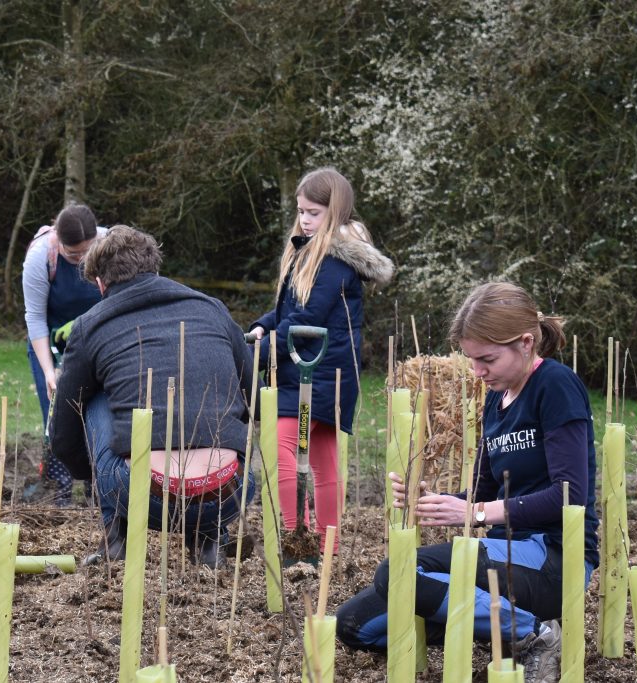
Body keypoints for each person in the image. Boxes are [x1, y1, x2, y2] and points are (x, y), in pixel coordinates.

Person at [336, 282, 600, 683]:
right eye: (472, 360)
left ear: (526, 342)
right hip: (503, 550)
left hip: (553, 556)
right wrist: (430, 499)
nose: (477, 372)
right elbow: (483, 492)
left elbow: (570, 496)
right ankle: (493, 625)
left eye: (487, 359)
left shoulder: (556, 386)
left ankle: (534, 636)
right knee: (354, 625)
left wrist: (473, 513)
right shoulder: (496, 400)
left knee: (403, 572)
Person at [49, 225, 256, 568]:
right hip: (230, 490)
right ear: (155, 268)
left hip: (143, 492)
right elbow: (254, 399)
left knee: (95, 396)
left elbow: (64, 433)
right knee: (209, 403)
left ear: (101, 282)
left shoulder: (91, 325)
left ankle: (117, 538)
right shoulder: (213, 308)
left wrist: (99, 480)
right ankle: (209, 540)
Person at [249, 167, 394, 554]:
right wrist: (263, 326)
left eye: (314, 212)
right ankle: (324, 542)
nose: (305, 219)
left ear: (336, 211)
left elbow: (305, 320)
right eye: (301, 211)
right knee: (322, 459)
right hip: (318, 371)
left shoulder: (332, 262)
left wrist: (257, 354)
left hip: (316, 372)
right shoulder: (310, 252)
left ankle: (300, 538)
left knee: (285, 453)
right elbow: (290, 312)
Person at [22, 204, 106, 506]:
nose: (83, 260)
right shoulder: (40, 257)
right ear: (58, 240)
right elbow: (34, 317)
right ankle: (60, 493)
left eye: (89, 252)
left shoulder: (110, 247)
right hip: (52, 345)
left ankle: (100, 488)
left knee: (101, 413)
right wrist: (48, 370)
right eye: (75, 255)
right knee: (58, 417)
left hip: (99, 345)